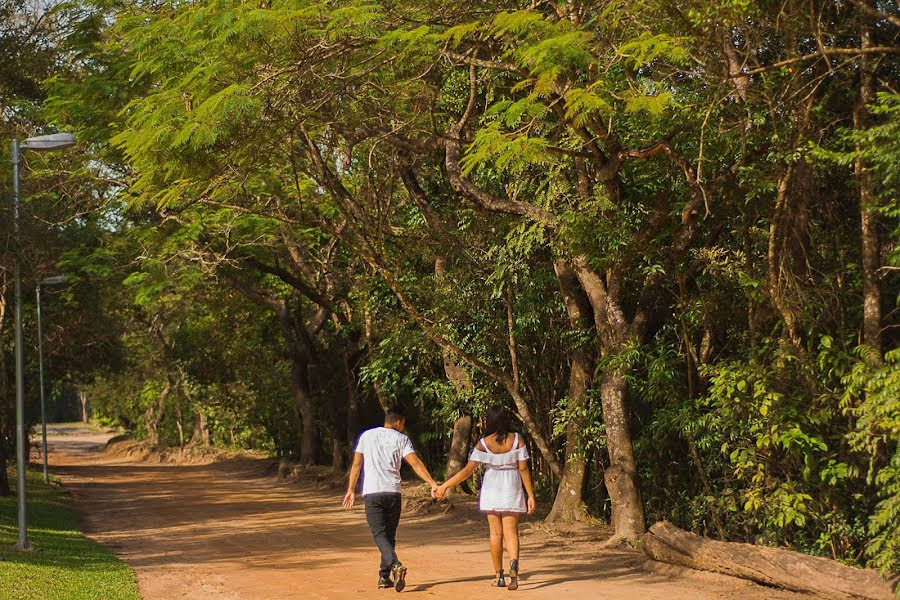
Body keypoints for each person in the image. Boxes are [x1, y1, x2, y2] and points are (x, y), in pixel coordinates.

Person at [433, 405, 536, 590]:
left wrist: (444, 486)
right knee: (511, 532)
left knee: (495, 533)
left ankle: (499, 576)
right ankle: (514, 566)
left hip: (492, 486)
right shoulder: (517, 440)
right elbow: (523, 468)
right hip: (512, 483)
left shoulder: (484, 443)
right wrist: (530, 495)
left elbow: (466, 471)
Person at [343, 405, 438, 591]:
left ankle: (395, 565)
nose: (403, 426)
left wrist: (351, 489)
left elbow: (356, 465)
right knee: (389, 535)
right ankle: (384, 576)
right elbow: (415, 463)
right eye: (403, 423)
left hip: (373, 492)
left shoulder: (366, 436)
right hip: (393, 492)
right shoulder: (402, 439)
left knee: (379, 534)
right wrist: (432, 483)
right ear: (398, 422)